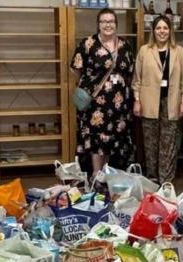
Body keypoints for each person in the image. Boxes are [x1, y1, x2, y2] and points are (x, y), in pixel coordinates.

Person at [70, 8, 135, 176]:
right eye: (104, 21)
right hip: (95, 104)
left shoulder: (125, 45)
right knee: (96, 139)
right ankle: (96, 175)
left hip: (119, 104)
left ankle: (108, 176)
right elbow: (76, 70)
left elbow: (130, 72)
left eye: (111, 21)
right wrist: (89, 86)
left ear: (116, 24)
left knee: (113, 138)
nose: (108, 25)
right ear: (98, 24)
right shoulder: (87, 44)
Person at [132, 15, 183, 183]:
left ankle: (166, 180)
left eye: (165, 28)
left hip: (171, 102)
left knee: (169, 142)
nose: (162, 31)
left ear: (170, 30)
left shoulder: (179, 51)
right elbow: (137, 79)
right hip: (149, 102)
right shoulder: (144, 50)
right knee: (150, 144)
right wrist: (137, 100)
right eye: (158, 28)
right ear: (153, 31)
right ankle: (152, 178)